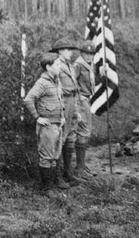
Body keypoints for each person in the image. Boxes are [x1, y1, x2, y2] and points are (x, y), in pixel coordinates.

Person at [23, 52, 65, 196]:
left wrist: (63, 117)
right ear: (48, 67)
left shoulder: (56, 80)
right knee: (47, 156)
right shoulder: (42, 83)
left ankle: (52, 185)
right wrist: (37, 117)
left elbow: (60, 100)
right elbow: (28, 99)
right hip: (47, 126)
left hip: (57, 124)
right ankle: (47, 188)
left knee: (54, 155)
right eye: (57, 65)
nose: (60, 67)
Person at [49, 39, 82, 187]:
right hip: (62, 104)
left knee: (71, 138)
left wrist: (76, 110)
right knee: (60, 139)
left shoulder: (69, 65)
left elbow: (75, 86)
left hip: (72, 103)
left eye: (70, 49)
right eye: (67, 49)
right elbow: (54, 87)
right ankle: (57, 176)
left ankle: (67, 173)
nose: (70, 52)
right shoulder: (55, 66)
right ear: (60, 51)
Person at [73, 41, 97, 180]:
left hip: (86, 99)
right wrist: (78, 101)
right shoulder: (78, 65)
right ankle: (79, 167)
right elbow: (72, 83)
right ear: (81, 53)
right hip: (80, 100)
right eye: (87, 53)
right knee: (83, 131)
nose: (89, 56)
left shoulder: (88, 65)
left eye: (91, 54)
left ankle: (82, 165)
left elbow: (89, 83)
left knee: (86, 131)